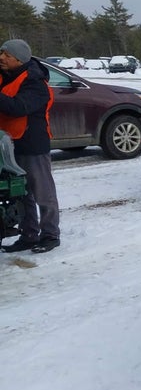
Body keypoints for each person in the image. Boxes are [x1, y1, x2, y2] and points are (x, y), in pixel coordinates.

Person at [0, 39, 61, 253]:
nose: (2, 58)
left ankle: (50, 234)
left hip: (32, 143)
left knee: (42, 191)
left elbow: (18, 107)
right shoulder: (5, 76)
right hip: (7, 146)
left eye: (7, 55)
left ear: (19, 58)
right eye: (2, 53)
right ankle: (28, 235)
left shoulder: (35, 82)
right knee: (20, 193)